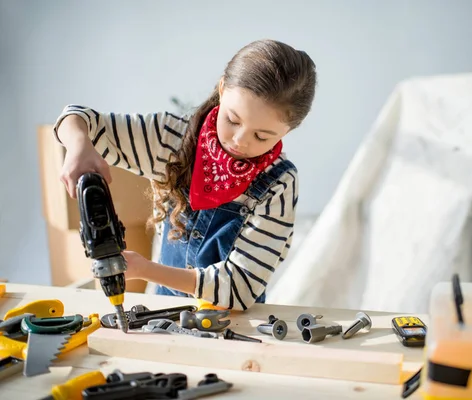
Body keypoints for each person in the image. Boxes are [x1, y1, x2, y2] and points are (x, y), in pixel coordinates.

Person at [53, 39, 317, 310]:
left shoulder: (279, 184)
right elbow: (76, 117)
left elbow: (239, 289)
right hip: (162, 316)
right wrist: (78, 145)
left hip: (234, 329)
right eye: (233, 120)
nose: (239, 140)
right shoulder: (172, 139)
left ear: (288, 130)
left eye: (261, 136)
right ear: (222, 89)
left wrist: (146, 269)